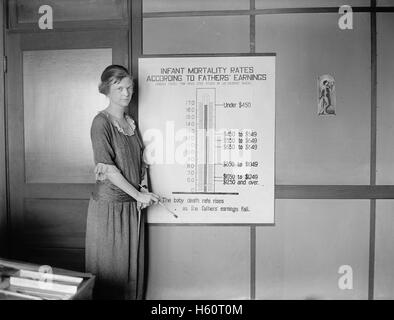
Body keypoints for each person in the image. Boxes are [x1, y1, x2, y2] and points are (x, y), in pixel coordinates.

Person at [85, 65, 160, 300]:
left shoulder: (130, 122)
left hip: (131, 208)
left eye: (130, 87)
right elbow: (107, 169)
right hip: (109, 210)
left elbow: (139, 164)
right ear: (107, 90)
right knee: (111, 274)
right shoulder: (101, 122)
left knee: (130, 274)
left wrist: (144, 190)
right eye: (119, 88)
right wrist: (138, 195)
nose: (126, 93)